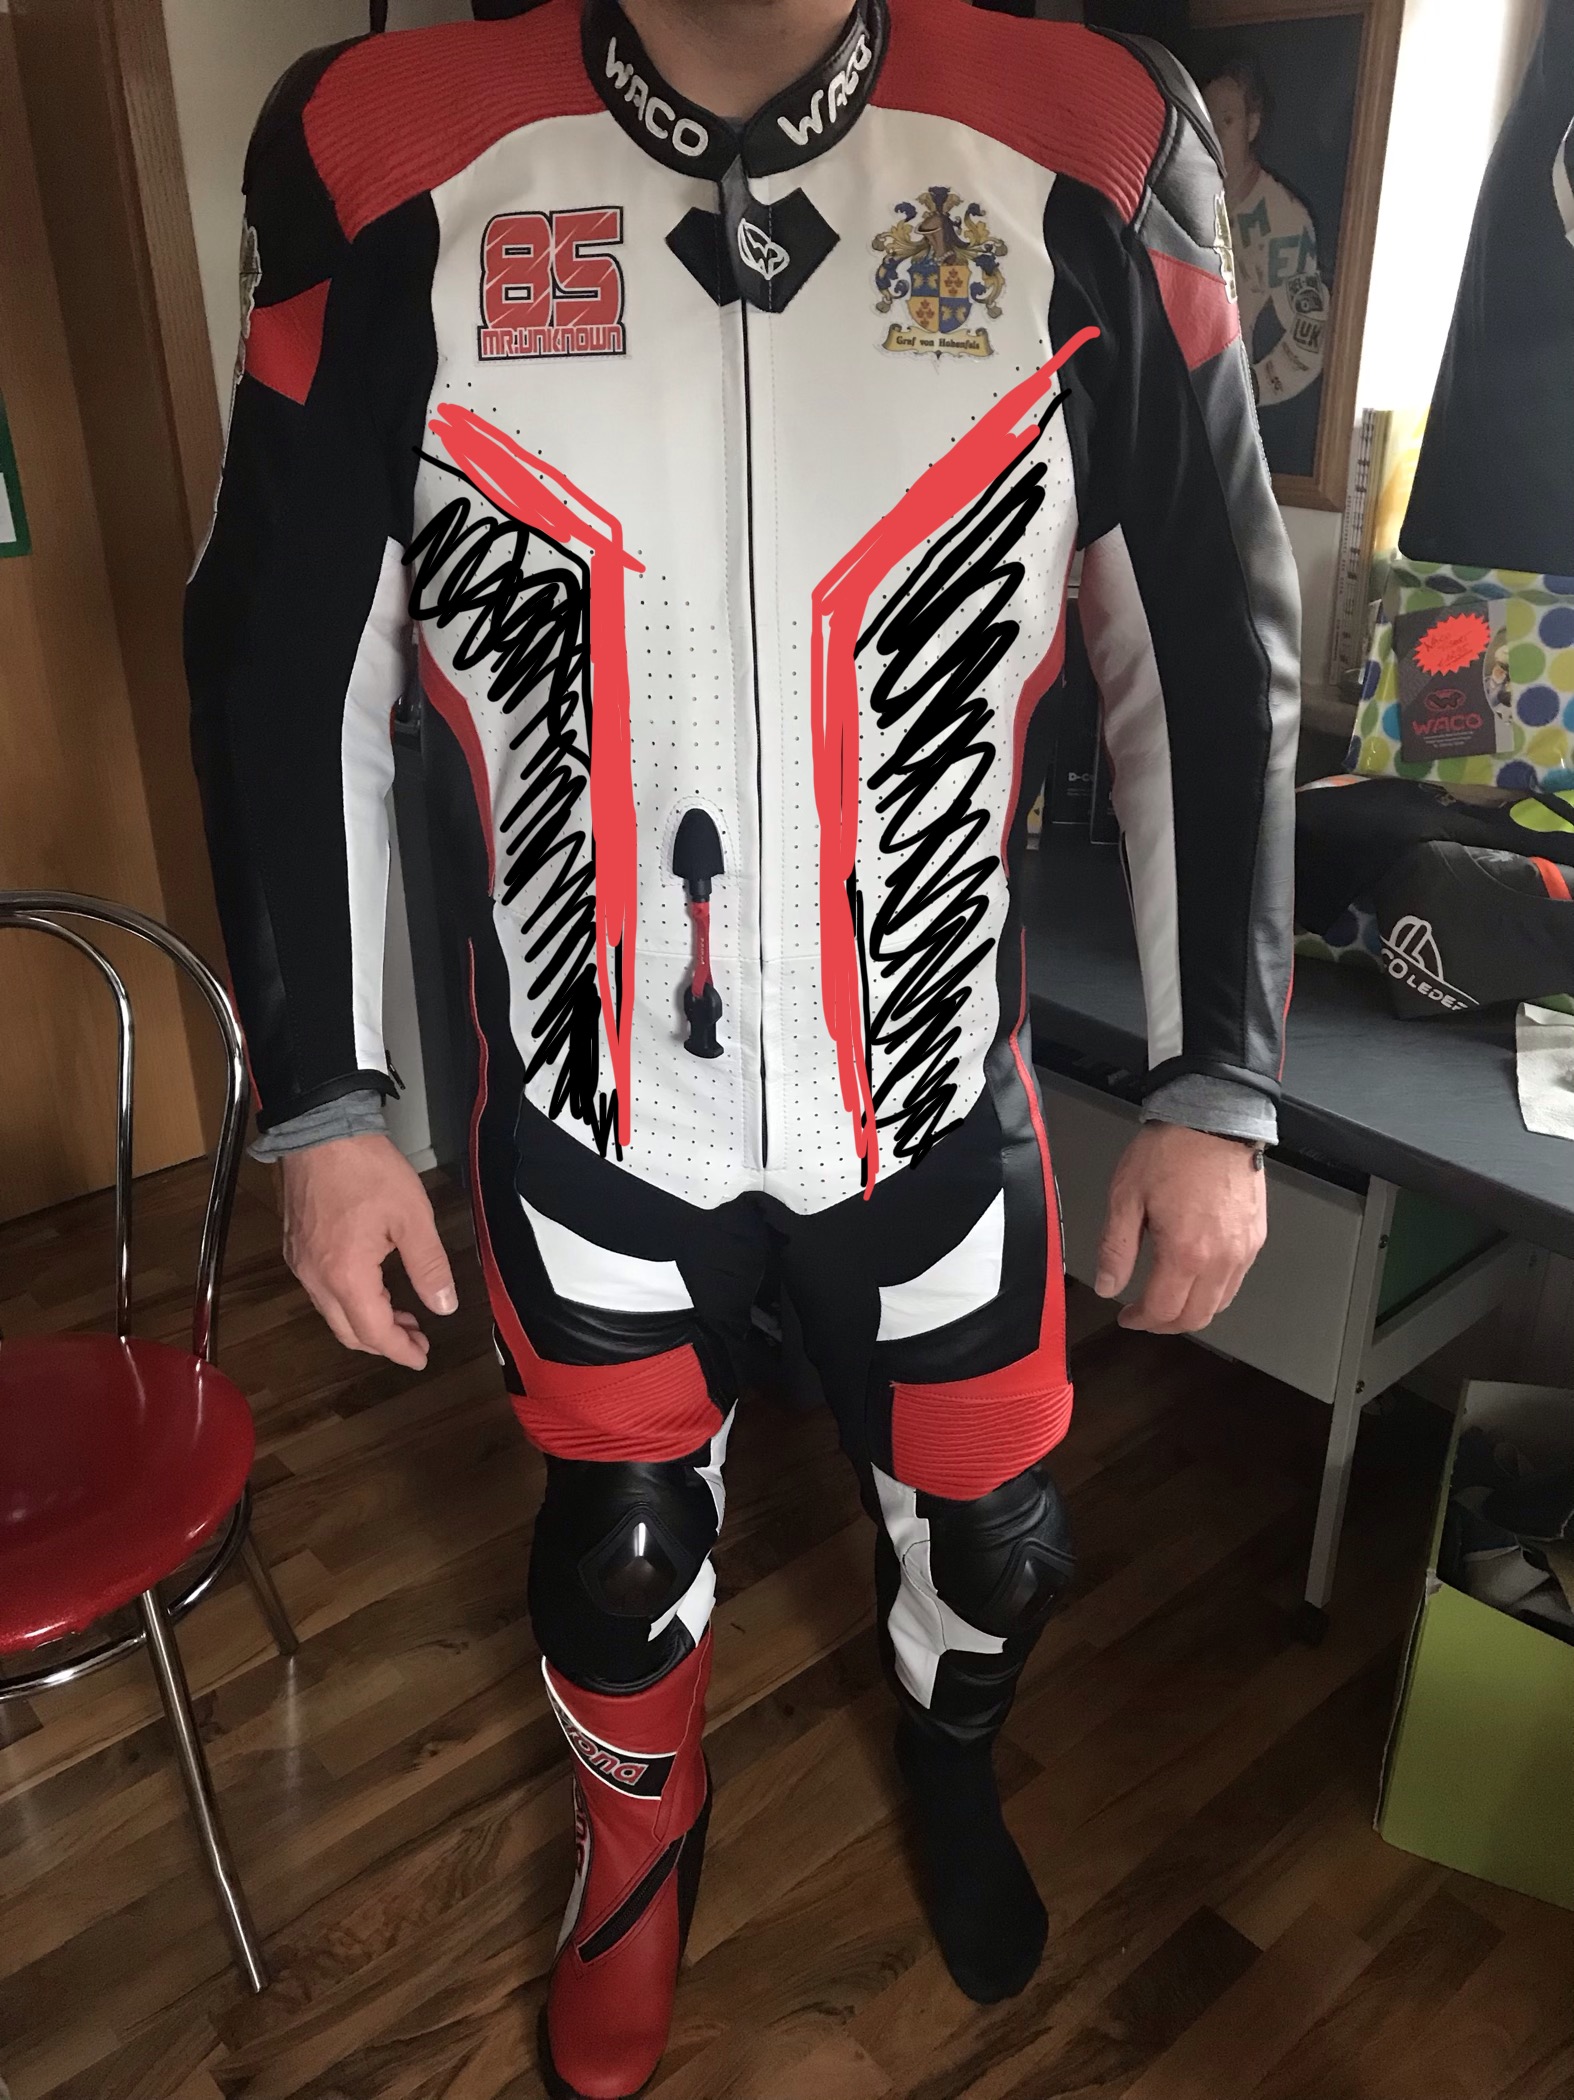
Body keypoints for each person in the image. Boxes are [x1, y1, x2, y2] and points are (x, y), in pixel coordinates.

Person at [185, 0, 1298, 2092]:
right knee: (616, 1559)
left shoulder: (1087, 133)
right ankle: (634, 1856)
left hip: (930, 1108)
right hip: (595, 1112)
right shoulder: (378, 145)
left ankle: (950, 1768)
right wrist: (323, 1104)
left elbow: (1205, 647)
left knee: (1001, 1549)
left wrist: (1214, 1080)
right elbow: (283, 660)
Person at [1203, 51, 1329, 418]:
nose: (1213, 135)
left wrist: (1250, 388)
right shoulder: (1182, 202)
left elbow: (1310, 335)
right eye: (1205, 120)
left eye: (1227, 120)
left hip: (1231, 417)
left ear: (1252, 126)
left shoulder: (1283, 219)